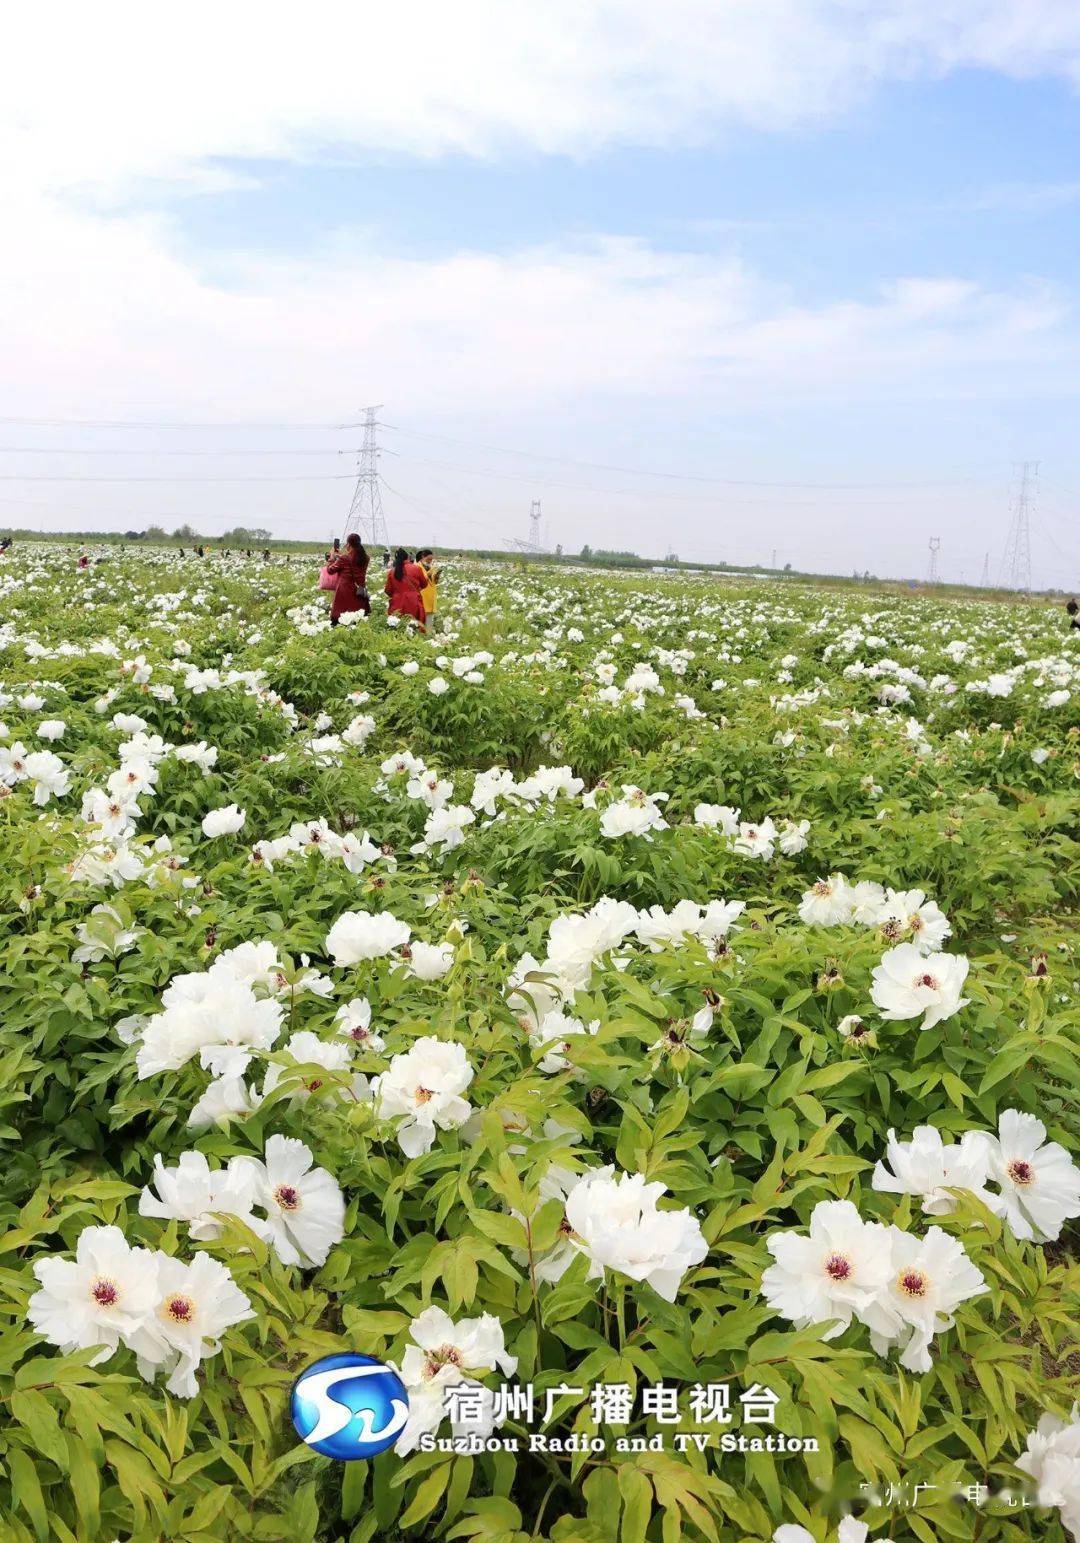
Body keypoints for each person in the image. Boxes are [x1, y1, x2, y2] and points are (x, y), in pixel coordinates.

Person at [326, 532, 370, 626]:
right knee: (356, 618)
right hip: (359, 590)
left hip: (344, 591)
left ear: (348, 544)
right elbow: (354, 562)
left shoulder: (344, 559)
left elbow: (330, 570)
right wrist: (340, 557)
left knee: (340, 618)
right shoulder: (366, 558)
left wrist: (332, 558)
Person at [384, 547, 425, 623]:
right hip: (414, 602)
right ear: (408, 557)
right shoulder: (416, 568)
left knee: (398, 628)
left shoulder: (392, 572)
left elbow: (387, 591)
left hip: (397, 604)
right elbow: (424, 584)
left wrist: (397, 594)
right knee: (415, 627)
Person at [415, 548, 440, 634]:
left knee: (429, 621)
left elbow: (434, 582)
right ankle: (420, 636)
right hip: (423, 595)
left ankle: (428, 637)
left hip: (431, 596)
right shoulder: (417, 567)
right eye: (428, 559)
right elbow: (418, 580)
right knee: (421, 618)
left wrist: (436, 577)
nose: (430, 561)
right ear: (422, 557)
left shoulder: (431, 567)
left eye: (431, 560)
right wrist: (428, 574)